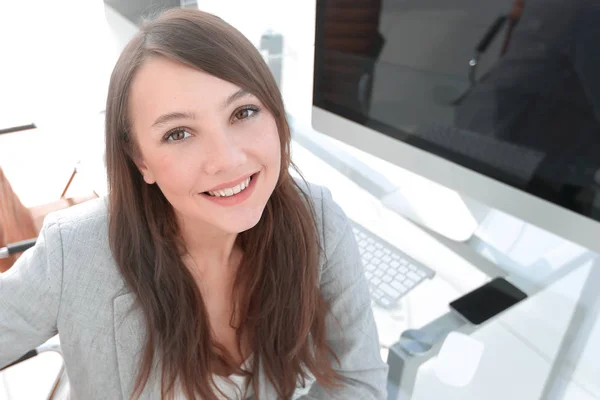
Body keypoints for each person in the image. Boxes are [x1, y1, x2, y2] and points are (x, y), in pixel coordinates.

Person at [0, 8, 388, 400]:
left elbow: (357, 381)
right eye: (179, 133)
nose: (228, 160)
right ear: (141, 161)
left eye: (243, 112)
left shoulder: (317, 218)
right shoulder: (76, 251)